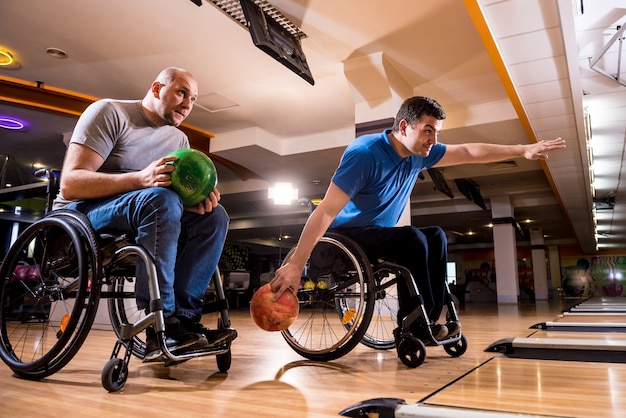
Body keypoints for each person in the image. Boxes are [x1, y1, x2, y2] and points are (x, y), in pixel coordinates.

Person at [270, 96, 566, 341]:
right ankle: (412, 326)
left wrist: (523, 149)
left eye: (436, 132)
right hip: (342, 237)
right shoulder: (365, 154)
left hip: (374, 233)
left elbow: (468, 151)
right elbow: (326, 211)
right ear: (404, 126)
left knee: (436, 234)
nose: (433, 140)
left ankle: (428, 318)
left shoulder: (421, 153)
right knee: (411, 238)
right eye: (428, 131)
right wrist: (297, 264)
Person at [53, 67, 237, 361]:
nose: (188, 104)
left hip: (146, 208)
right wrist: (140, 179)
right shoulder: (110, 112)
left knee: (215, 216)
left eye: (194, 99)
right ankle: (159, 321)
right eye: (181, 92)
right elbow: (71, 184)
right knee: (159, 199)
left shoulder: (179, 142)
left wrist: (194, 205)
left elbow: (167, 202)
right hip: (83, 214)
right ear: (156, 88)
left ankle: (185, 320)